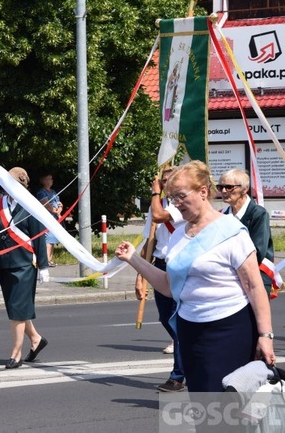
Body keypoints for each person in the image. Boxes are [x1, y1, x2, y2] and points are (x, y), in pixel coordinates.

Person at [116, 161, 275, 392]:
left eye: (181, 196)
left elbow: (254, 287)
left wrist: (266, 336)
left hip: (229, 329)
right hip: (190, 331)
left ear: (203, 192)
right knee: (203, 407)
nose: (176, 204)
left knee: (227, 407)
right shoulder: (179, 234)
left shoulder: (231, 231)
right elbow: (168, 286)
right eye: (172, 198)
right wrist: (134, 259)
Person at [0, 167, 50, 369]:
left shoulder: (30, 205)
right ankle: (37, 339)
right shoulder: (0, 204)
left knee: (17, 311)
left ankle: (16, 353)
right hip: (4, 263)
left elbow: (39, 236)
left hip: (24, 265)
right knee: (16, 308)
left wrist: (43, 265)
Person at [134, 167, 186, 393]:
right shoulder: (156, 204)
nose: (165, 184)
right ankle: (191, 350)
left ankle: (177, 376)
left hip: (180, 265)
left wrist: (155, 194)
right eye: (162, 181)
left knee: (177, 321)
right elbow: (151, 240)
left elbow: (159, 216)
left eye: (169, 180)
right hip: (161, 265)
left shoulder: (182, 202)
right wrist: (141, 274)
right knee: (165, 318)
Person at [219, 168, 276, 298]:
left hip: (256, 277)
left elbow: (257, 252)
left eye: (228, 187)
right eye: (220, 187)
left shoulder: (258, 213)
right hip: (230, 278)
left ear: (244, 189)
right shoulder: (222, 214)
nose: (223, 191)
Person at [35, 172, 63, 267]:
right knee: (48, 239)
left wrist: (60, 209)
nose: (51, 181)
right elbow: (46, 205)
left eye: (51, 179)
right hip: (47, 218)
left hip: (55, 218)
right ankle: (46, 259)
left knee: (53, 239)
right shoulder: (41, 192)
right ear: (43, 180)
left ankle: (50, 259)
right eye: (49, 178)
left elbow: (59, 203)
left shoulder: (53, 192)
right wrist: (55, 210)